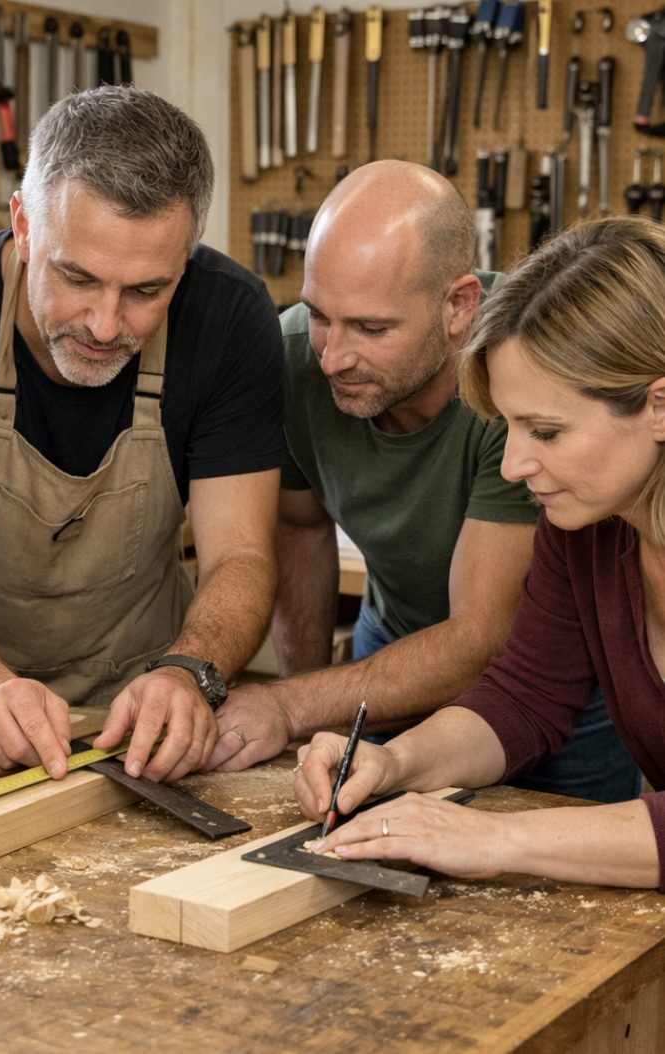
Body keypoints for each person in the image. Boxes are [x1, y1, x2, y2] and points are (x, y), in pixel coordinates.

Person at [0, 86, 283, 785]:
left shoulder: (229, 320)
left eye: (146, 292)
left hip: (127, 713)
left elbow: (244, 557)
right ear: (23, 223)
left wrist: (190, 671)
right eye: (76, 277)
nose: (106, 325)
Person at [206, 159, 640, 805]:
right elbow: (299, 525)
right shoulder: (299, 358)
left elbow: (482, 641)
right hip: (423, 657)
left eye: (372, 329)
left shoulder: (522, 372)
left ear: (459, 306)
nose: (332, 357)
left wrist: (292, 705)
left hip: (554, 688)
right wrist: (334, 723)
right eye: (319, 314)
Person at [296, 216, 665, 890]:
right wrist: (396, 761)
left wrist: (495, 836)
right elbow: (526, 698)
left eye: (546, 431)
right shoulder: (585, 526)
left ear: (660, 407)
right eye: (510, 426)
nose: (517, 463)